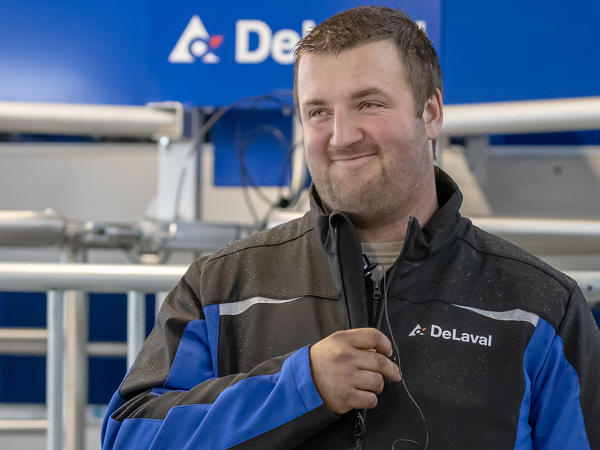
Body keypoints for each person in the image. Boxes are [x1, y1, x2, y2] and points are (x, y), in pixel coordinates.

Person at [102, 6, 600, 449]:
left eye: (369, 104)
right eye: (319, 112)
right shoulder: (222, 288)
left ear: (430, 113)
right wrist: (300, 387)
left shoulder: (540, 306)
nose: (341, 136)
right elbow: (129, 437)